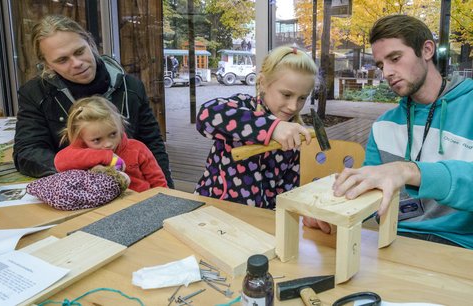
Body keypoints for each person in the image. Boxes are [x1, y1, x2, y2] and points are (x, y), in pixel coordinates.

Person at [304, 14, 473, 249]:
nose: (387, 73)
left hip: (459, 245)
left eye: (395, 58)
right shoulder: (383, 126)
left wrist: (408, 171)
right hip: (394, 238)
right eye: (382, 65)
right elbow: (371, 197)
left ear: (426, 50)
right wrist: (333, 211)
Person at [13, 15, 174, 188]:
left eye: (79, 51)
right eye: (62, 60)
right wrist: (83, 171)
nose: (76, 63)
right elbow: (27, 152)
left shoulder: (131, 87)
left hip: (133, 192)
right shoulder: (34, 93)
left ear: (90, 43)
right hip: (78, 194)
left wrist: (168, 195)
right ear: (47, 64)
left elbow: (153, 144)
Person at [195, 46, 318, 209]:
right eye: (286, 95)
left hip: (260, 221)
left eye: (302, 98)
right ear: (262, 83)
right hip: (212, 211)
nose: (293, 106)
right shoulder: (243, 106)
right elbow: (205, 115)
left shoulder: (293, 136)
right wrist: (272, 128)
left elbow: (288, 190)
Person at [54, 96, 167, 192]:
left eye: (113, 134)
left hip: (141, 201)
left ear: (121, 126)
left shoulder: (137, 148)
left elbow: (157, 180)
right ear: (81, 138)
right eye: (97, 140)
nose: (108, 144)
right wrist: (105, 156)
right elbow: (60, 161)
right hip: (104, 208)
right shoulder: (79, 152)